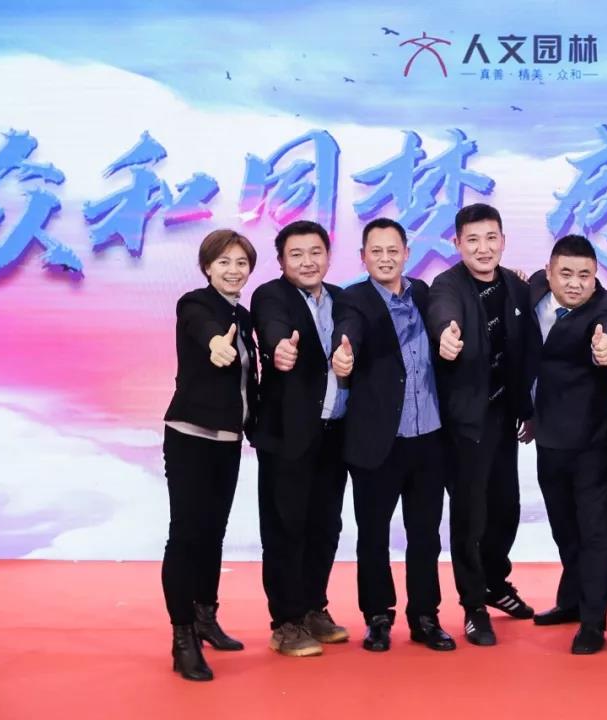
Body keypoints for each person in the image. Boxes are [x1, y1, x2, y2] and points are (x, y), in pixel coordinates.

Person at [330, 218, 456, 652]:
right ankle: (378, 616)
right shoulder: (354, 299)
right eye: (376, 251)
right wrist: (343, 354)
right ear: (363, 256)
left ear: (406, 254)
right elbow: (348, 329)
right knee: (373, 535)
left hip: (429, 438)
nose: (385, 259)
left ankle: (425, 616)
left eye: (393, 250)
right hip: (377, 440)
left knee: (426, 535)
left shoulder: (423, 293)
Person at [427, 203, 536, 646]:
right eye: (472, 240)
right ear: (457, 244)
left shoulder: (516, 286)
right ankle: (473, 605)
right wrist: (445, 336)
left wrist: (527, 409)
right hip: (466, 420)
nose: (483, 248)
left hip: (503, 415)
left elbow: (526, 349)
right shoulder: (447, 285)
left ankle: (494, 581)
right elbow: (442, 312)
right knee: (470, 515)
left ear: (503, 241)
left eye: (491, 238)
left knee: (506, 507)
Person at [162, 229, 258, 681]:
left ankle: (206, 616)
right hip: (191, 436)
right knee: (186, 535)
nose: (233, 270)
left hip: (228, 440)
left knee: (213, 533)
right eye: (224, 262)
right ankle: (182, 638)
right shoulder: (195, 304)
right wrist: (217, 344)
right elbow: (203, 330)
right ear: (207, 267)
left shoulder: (244, 316)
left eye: (241, 262)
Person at [251, 220, 349, 657]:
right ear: (281, 261)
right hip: (288, 435)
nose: (308, 261)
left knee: (325, 526)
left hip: (335, 433)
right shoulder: (271, 296)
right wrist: (280, 348)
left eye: (315, 252)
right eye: (296, 254)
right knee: (285, 527)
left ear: (328, 255)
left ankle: (313, 607)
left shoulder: (343, 299)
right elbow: (272, 326)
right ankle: (286, 622)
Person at [527, 235, 607, 654]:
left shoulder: (606, 309)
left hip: (592, 442)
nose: (575, 283)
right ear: (548, 272)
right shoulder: (533, 289)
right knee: (563, 528)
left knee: (594, 533)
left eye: (585, 275)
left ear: (596, 276)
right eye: (565, 273)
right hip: (547, 437)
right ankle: (571, 600)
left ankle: (593, 622)